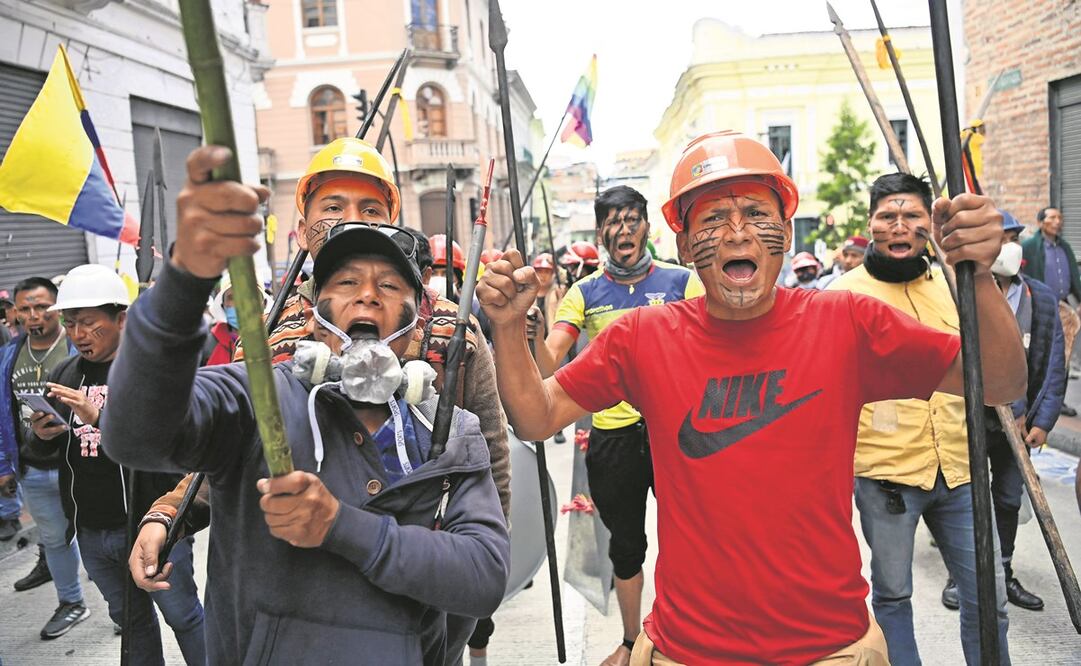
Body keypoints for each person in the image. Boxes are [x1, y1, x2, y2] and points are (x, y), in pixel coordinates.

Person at [477, 130, 1025, 665]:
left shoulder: (847, 321)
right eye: (713, 218)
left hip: (830, 648)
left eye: (757, 214)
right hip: (688, 649)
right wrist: (506, 328)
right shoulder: (641, 336)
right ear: (687, 244)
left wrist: (977, 274)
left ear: (785, 231)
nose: (738, 233)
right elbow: (535, 416)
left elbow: (999, 382)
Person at [104, 146, 510, 663]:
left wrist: (459, 622)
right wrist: (169, 512)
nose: (367, 296)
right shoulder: (266, 349)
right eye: (333, 207)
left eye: (388, 284)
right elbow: (182, 435)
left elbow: (489, 491)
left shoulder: (456, 353)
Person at [826, 173, 1013, 665]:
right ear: (870, 223)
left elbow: (997, 363)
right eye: (888, 216)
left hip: (962, 469)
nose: (899, 226)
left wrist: (980, 273)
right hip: (885, 478)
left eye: (911, 215)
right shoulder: (839, 298)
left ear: (929, 223)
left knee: (988, 599)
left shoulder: (958, 285)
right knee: (891, 597)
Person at [534, 185, 704, 666]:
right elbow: (546, 365)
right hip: (613, 441)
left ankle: (687, 633)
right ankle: (633, 642)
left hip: (677, 434)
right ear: (601, 232)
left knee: (692, 539)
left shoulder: (681, 283)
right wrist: (525, 328)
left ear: (648, 226)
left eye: (632, 219)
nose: (623, 230)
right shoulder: (583, 293)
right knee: (626, 549)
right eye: (613, 221)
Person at [27, 265, 206, 665]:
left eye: (89, 324)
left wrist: (100, 418)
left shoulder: (153, 371)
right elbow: (40, 452)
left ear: (121, 319)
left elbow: (172, 447)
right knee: (131, 621)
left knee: (183, 615)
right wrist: (41, 435)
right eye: (70, 323)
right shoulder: (65, 373)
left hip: (154, 525)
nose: (77, 335)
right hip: (91, 530)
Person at [939, 210, 1065, 613]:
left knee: (1008, 499)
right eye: (1001, 236)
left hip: (1020, 422)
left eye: (1011, 237)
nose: (1005, 245)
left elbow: (1053, 363)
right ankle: (961, 574)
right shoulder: (958, 293)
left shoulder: (1040, 298)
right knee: (967, 500)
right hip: (969, 421)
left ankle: (1003, 572)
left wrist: (1043, 421)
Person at [0, 277, 91, 640]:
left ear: (56, 309)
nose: (33, 316)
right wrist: (5, 465)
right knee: (54, 540)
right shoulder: (9, 356)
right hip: (34, 467)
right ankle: (72, 602)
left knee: (105, 537)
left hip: (83, 463)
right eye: (25, 308)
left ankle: (124, 605)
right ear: (16, 312)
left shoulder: (79, 347)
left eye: (41, 307)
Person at [1021, 206, 1081, 416]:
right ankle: (1034, 399)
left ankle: (1058, 402)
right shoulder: (1029, 247)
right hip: (1040, 308)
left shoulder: (1064, 247)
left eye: (1060, 218)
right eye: (1052, 218)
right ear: (1040, 223)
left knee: (1061, 357)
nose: (1057, 222)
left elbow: (1073, 276)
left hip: (1063, 308)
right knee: (1040, 354)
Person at [429, 234, 465, 301]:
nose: (439, 278)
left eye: (445, 274)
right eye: (433, 274)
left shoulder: (470, 305)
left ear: (458, 279)